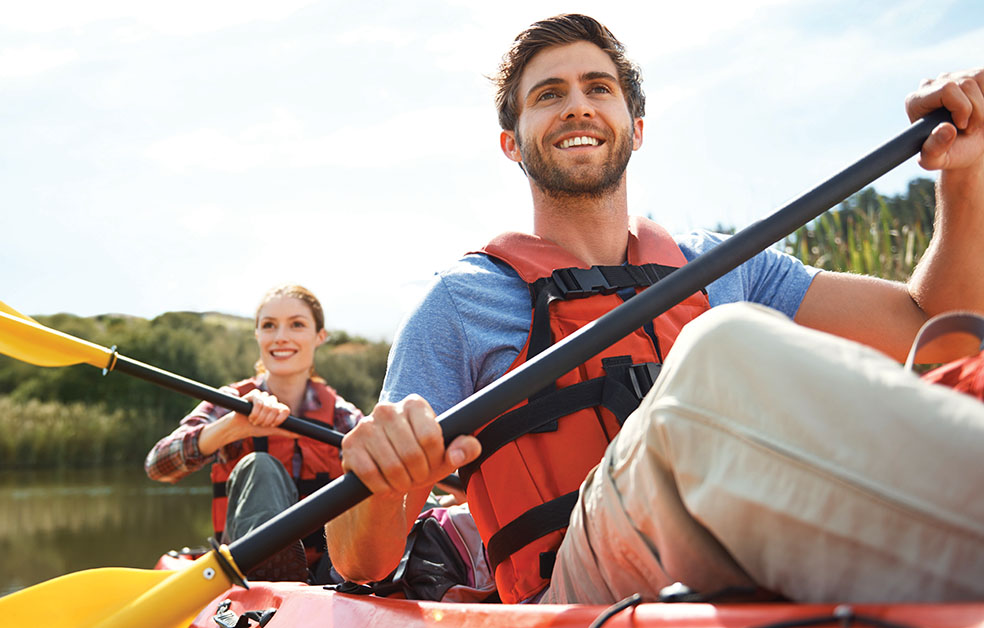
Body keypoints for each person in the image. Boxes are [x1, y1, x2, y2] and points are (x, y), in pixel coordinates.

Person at [326, 14, 984, 605]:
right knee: (723, 346)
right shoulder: (461, 305)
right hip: (580, 585)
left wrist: (964, 171)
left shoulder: (725, 263)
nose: (576, 107)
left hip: (746, 524)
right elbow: (359, 561)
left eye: (598, 88)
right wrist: (384, 478)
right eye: (548, 95)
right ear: (512, 143)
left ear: (635, 129)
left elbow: (938, 333)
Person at [146, 284, 363, 583]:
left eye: (297, 324)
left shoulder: (342, 415)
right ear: (257, 335)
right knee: (259, 465)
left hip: (333, 570)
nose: (280, 337)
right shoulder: (232, 402)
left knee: (371, 483)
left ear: (319, 336)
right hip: (250, 567)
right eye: (269, 326)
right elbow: (158, 465)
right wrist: (231, 427)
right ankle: (272, 571)